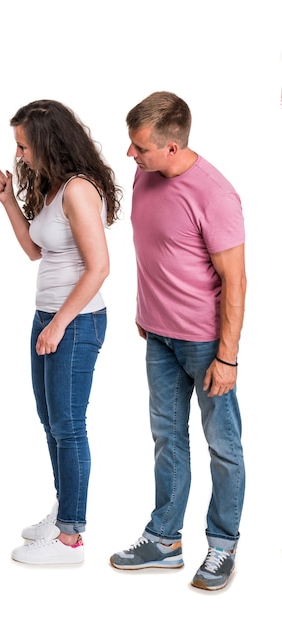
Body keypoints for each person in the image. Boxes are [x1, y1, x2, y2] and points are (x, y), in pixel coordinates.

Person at [110, 91, 246, 590]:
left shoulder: (215, 194)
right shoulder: (147, 173)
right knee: (168, 439)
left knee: (223, 444)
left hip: (206, 344)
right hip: (159, 338)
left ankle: (223, 546)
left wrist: (227, 357)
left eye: (140, 147)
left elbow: (236, 280)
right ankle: (165, 540)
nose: (131, 155)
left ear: (172, 147)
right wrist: (146, 309)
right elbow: (155, 247)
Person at [0, 99, 122, 565]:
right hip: (48, 317)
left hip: (77, 321)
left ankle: (71, 539)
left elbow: (99, 267)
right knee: (52, 423)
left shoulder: (79, 190)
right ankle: (64, 509)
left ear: (47, 141)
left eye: (23, 146)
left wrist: (61, 324)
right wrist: (8, 200)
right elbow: (34, 251)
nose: (19, 155)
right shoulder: (53, 188)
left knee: (69, 426)